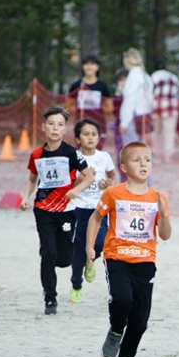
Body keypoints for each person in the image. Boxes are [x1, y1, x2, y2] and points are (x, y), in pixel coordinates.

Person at [87, 142, 172, 357]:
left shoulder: (158, 197)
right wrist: (89, 249)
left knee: (140, 321)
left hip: (146, 261)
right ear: (123, 167)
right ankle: (115, 330)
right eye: (137, 160)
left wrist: (164, 215)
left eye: (147, 159)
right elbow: (95, 219)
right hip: (117, 257)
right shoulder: (113, 193)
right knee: (123, 298)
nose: (144, 164)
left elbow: (164, 235)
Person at [19, 105, 95, 316]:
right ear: (43, 127)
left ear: (65, 130)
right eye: (51, 124)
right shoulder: (37, 154)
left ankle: (69, 258)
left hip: (67, 211)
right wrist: (26, 197)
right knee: (48, 253)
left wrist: (75, 190)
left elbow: (89, 176)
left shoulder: (72, 153)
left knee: (64, 259)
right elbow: (32, 179)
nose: (55, 128)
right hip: (43, 210)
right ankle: (50, 298)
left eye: (60, 125)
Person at [68, 119, 117, 304]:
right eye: (86, 134)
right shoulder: (74, 157)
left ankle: (92, 258)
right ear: (78, 138)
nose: (90, 137)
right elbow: (69, 185)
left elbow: (113, 176)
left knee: (100, 243)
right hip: (79, 208)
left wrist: (108, 183)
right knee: (78, 249)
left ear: (99, 137)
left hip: (100, 207)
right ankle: (76, 285)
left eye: (93, 134)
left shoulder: (104, 157)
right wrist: (83, 178)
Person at [66, 56, 114, 150]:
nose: (89, 67)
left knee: (97, 150)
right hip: (81, 122)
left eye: (92, 64)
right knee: (82, 150)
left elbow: (109, 107)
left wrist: (98, 111)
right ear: (83, 67)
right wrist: (77, 111)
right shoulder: (76, 85)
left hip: (98, 123)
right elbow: (68, 105)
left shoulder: (102, 86)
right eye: (86, 64)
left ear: (97, 67)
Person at [119, 49, 154, 148]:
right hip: (144, 114)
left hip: (133, 118)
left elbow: (130, 101)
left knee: (131, 149)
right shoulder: (145, 75)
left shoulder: (133, 76)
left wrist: (124, 122)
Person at [151, 61, 179, 162]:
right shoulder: (173, 77)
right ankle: (167, 156)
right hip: (171, 108)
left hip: (156, 108)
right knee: (169, 132)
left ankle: (157, 153)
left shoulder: (153, 77)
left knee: (157, 132)